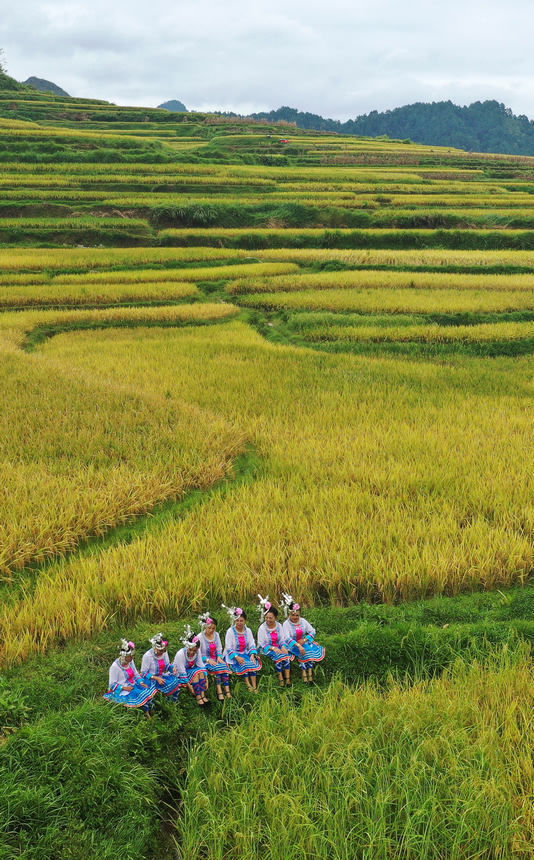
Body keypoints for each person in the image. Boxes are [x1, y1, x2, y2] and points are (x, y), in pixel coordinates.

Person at [104, 639, 157, 714]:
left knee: (147, 690)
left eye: (133, 656)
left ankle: (152, 710)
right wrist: (125, 688)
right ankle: (147, 714)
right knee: (141, 694)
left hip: (132, 684)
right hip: (123, 689)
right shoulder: (115, 667)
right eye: (131, 657)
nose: (132, 658)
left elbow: (135, 674)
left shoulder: (130, 661)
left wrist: (141, 682)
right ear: (124, 656)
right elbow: (112, 684)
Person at [281, 593, 325, 683]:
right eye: (293, 615)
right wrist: (298, 645)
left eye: (297, 615)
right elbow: (287, 638)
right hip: (292, 644)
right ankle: (304, 674)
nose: (295, 617)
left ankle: (310, 673)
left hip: (302, 642)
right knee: (302, 652)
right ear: (289, 614)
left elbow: (312, 631)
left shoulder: (303, 621)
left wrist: (304, 640)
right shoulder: (286, 624)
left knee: (309, 650)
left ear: (300, 614)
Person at [223, 605, 261, 692]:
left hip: (245, 653)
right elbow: (228, 647)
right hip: (233, 654)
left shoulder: (248, 631)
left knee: (253, 663)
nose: (239, 623)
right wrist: (237, 657)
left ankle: (254, 686)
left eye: (241, 621)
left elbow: (251, 644)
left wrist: (252, 654)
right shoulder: (230, 631)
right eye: (237, 621)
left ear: (245, 621)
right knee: (244, 664)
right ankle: (248, 685)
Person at [256, 595, 293, 687]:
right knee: (278, 657)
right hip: (266, 648)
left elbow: (282, 639)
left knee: (286, 655)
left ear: (275, 618)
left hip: (278, 646)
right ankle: (280, 678)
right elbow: (261, 643)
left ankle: (287, 679)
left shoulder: (279, 626)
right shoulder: (262, 628)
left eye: (271, 618)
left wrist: (283, 646)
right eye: (267, 617)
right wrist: (273, 648)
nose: (268, 620)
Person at [198, 612, 232, 701]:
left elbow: (219, 648)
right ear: (205, 627)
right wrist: (208, 660)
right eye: (209, 628)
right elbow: (198, 655)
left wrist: (219, 657)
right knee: (217, 669)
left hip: (216, 659)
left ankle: (227, 690)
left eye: (213, 628)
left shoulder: (216, 635)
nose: (211, 630)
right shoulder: (200, 637)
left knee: (224, 666)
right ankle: (219, 691)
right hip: (206, 661)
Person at [173, 627, 209, 707]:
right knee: (196, 673)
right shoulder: (181, 654)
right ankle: (198, 696)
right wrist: (190, 687)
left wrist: (206, 679)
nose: (192, 652)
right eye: (190, 650)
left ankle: (202, 694)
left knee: (201, 671)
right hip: (180, 673)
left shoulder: (197, 651)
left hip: (189, 670)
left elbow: (201, 664)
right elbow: (182, 671)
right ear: (187, 647)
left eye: (194, 651)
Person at [141, 633, 182, 702]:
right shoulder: (147, 656)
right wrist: (156, 678)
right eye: (160, 651)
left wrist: (173, 668)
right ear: (155, 648)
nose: (163, 652)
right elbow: (143, 673)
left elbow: (167, 666)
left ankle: (171, 702)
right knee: (149, 693)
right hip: (151, 678)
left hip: (161, 676)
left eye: (164, 650)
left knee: (175, 681)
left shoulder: (164, 653)